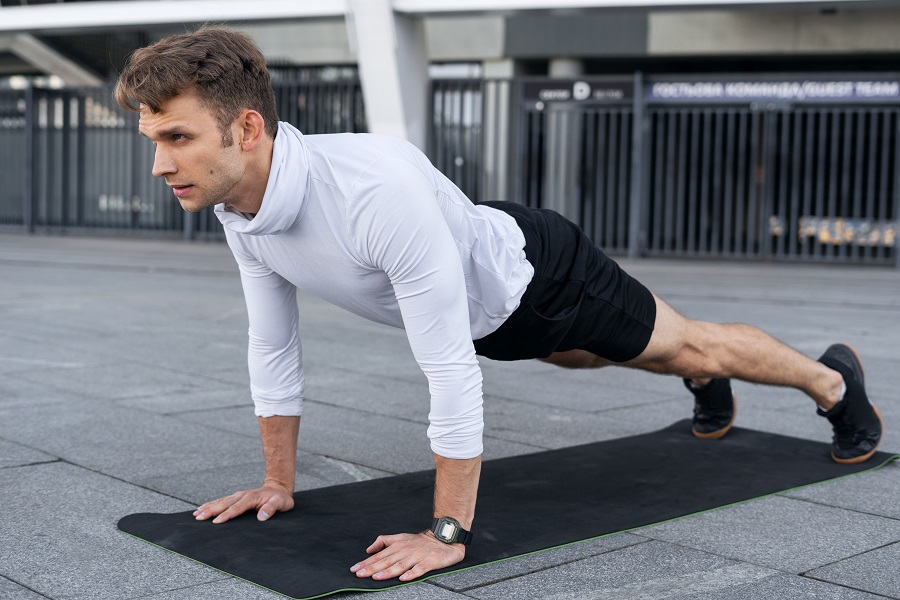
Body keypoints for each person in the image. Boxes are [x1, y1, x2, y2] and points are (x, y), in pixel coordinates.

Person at [115, 27, 883, 584]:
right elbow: (274, 348)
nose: (159, 164)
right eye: (153, 139)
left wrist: (449, 531)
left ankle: (835, 385)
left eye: (177, 137)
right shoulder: (237, 208)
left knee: (687, 345)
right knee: (587, 355)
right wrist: (276, 484)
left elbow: (447, 371)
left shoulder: (374, 192)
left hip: (543, 275)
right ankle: (694, 379)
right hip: (492, 311)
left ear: (246, 129)